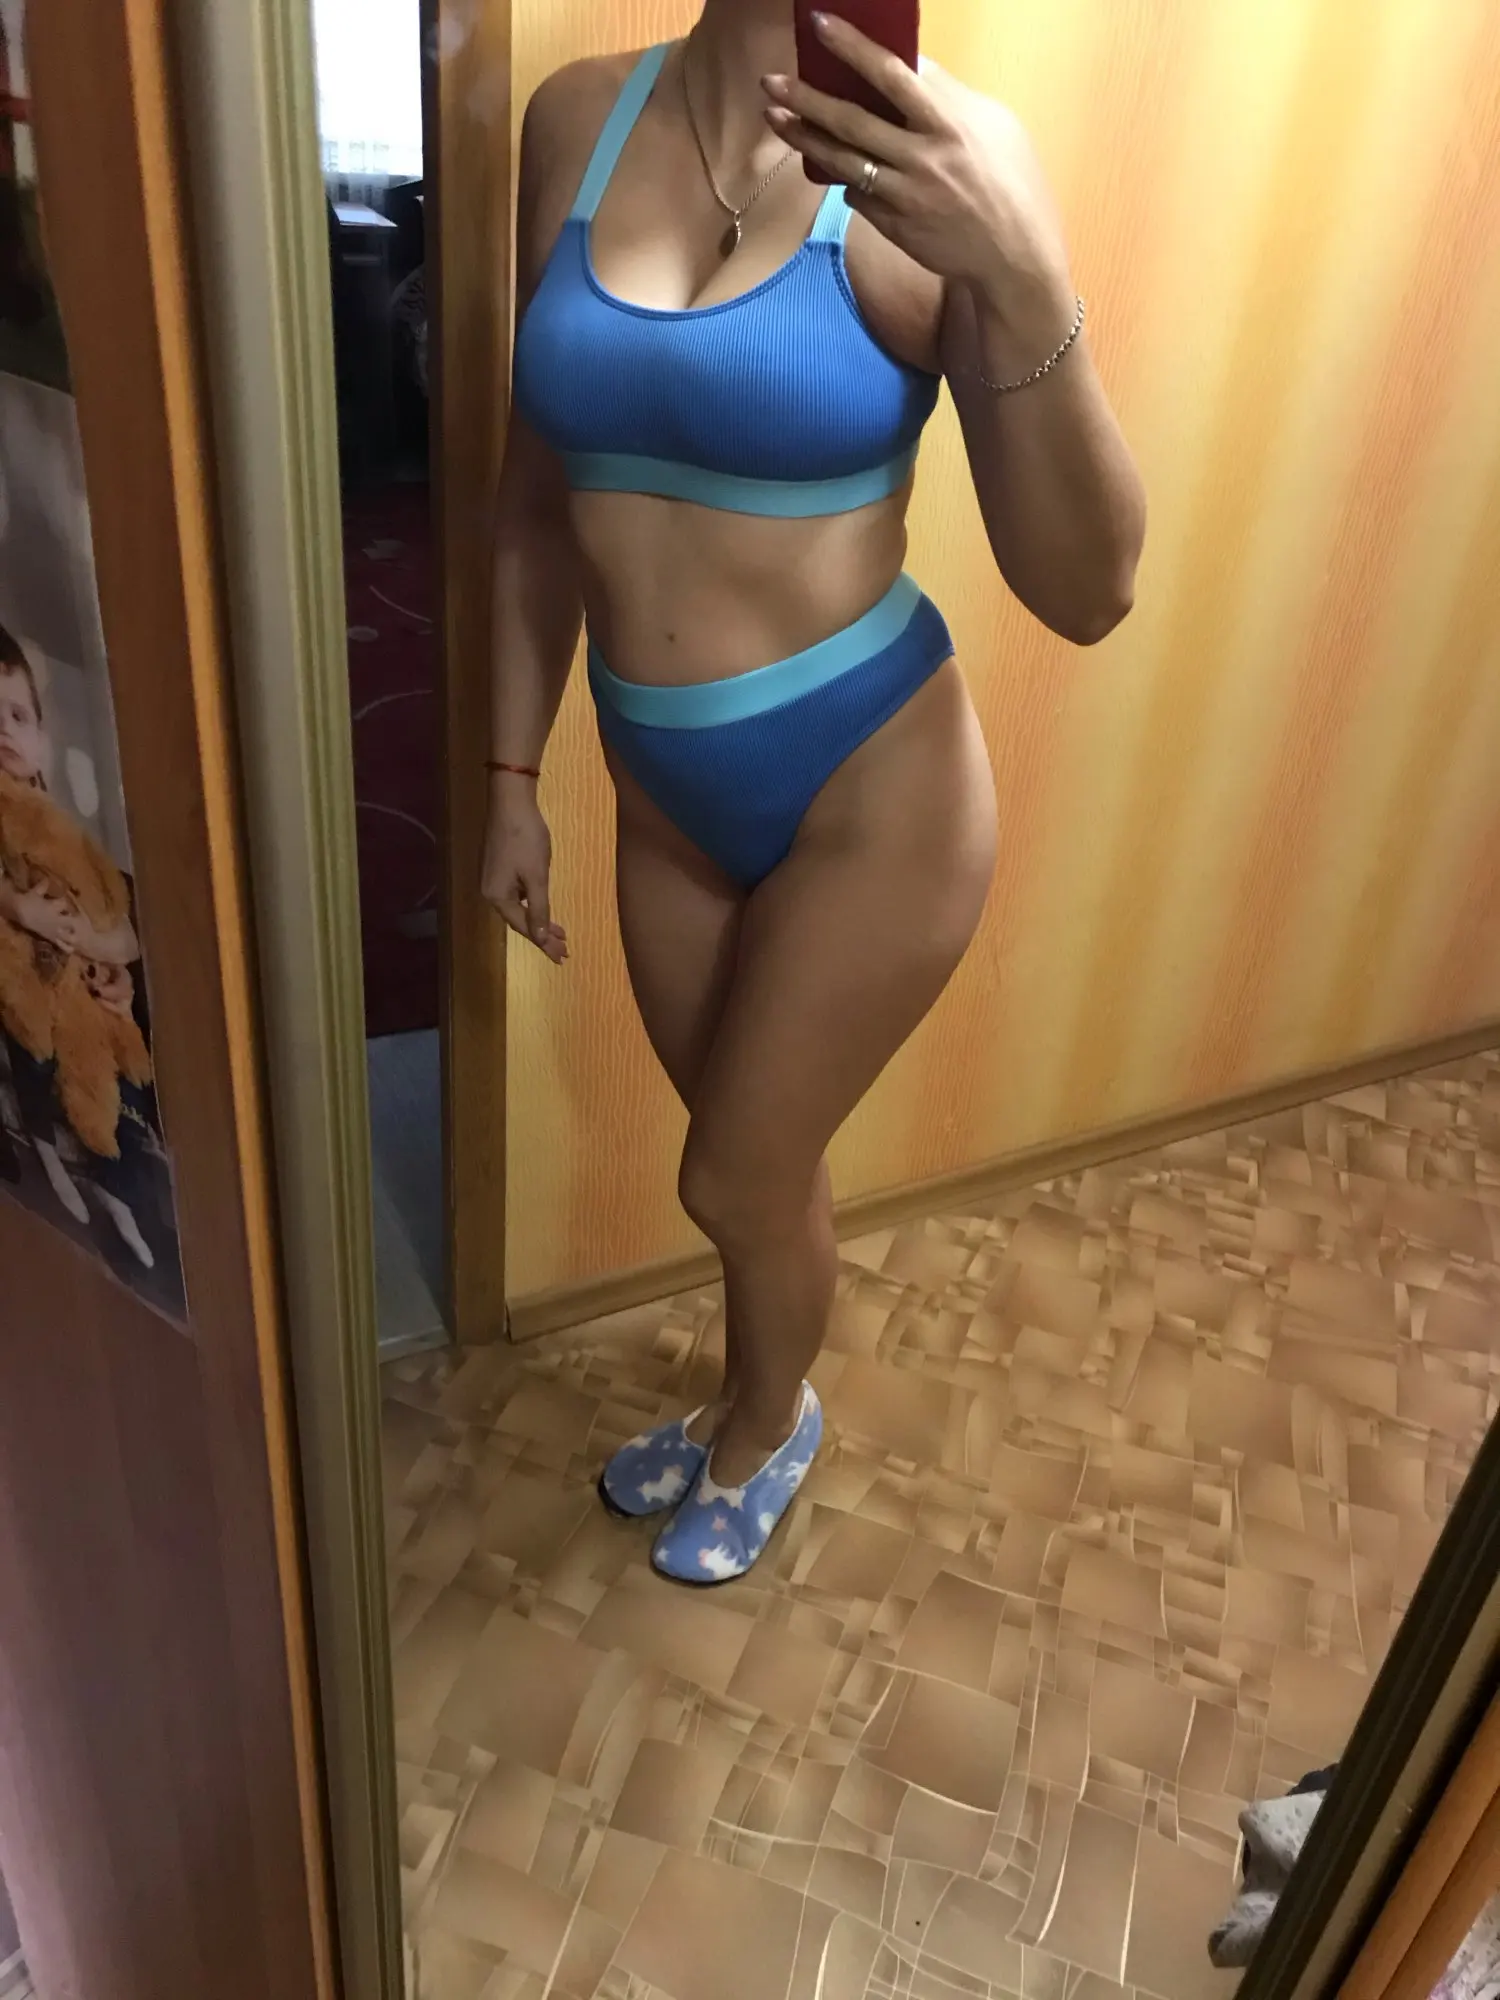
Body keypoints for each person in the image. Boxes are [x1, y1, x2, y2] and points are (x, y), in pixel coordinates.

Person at [482, 0, 1145, 1584]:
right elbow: (531, 499)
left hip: (872, 790)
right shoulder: (575, 119)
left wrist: (1019, 272)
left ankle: (769, 1425)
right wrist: (509, 772)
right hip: (662, 793)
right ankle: (744, 1398)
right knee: (756, 1172)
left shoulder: (956, 163)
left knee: (732, 1170)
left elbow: (1092, 590)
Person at [0, 630, 156, 1267]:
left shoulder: (60, 824)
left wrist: (107, 957)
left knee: (117, 1040)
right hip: (23, 983)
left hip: (79, 973)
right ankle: (45, 1142)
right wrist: (19, 909)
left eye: (17, 716)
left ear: (41, 738)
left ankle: (124, 1174)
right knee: (35, 1044)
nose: (3, 731)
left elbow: (121, 924)